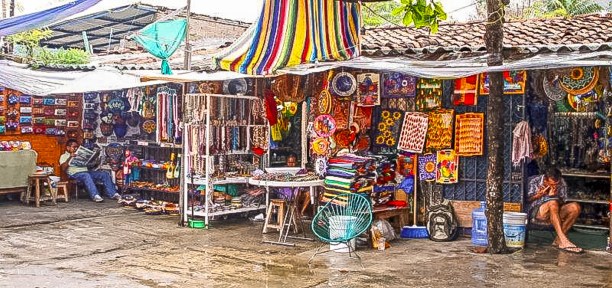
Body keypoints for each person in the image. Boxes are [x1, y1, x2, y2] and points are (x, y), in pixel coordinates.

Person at [527, 167, 583, 253]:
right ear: (545, 180)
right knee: (552, 202)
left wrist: (555, 196)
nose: (555, 186)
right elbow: (525, 201)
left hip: (554, 211)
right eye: (552, 184)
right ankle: (563, 240)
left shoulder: (562, 182)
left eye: (557, 184)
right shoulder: (534, 181)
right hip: (536, 212)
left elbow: (563, 202)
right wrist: (538, 195)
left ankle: (558, 240)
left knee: (575, 207)